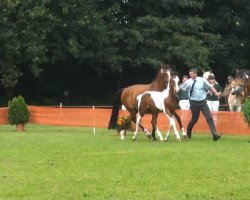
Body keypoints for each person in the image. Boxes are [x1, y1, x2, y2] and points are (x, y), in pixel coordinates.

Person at [179, 68, 221, 141]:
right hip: (193, 102)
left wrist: (216, 92)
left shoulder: (202, 80)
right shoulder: (188, 82)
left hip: (203, 102)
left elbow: (210, 87)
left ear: (195, 74)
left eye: (191, 74)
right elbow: (181, 88)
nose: (190, 75)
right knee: (194, 119)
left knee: (209, 117)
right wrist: (174, 89)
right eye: (190, 74)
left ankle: (215, 135)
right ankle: (188, 131)